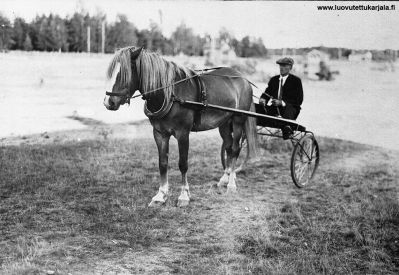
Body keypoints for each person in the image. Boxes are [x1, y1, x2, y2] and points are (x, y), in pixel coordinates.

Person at [259, 57, 303, 139]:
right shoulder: (274, 80)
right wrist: (263, 99)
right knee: (255, 107)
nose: (281, 68)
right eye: (280, 66)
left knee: (289, 108)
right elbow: (267, 93)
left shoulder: (296, 81)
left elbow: (299, 100)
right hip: (274, 110)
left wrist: (282, 102)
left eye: (284, 65)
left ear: (290, 67)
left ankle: (287, 129)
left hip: (289, 111)